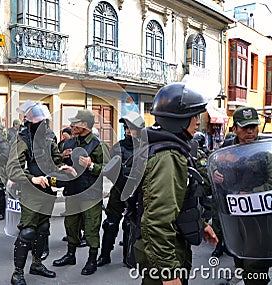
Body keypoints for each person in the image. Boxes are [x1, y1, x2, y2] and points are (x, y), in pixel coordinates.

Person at [133, 82, 218, 284]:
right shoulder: (167, 157)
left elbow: (177, 201)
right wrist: (169, 274)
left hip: (168, 248)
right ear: (179, 120)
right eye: (194, 116)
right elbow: (157, 222)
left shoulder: (172, 149)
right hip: (164, 256)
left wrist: (201, 224)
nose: (198, 122)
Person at [6, 101, 70, 285]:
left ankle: (37, 264)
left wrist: (63, 168)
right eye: (39, 122)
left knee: (43, 229)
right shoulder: (23, 140)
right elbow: (12, 168)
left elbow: (56, 160)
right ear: (30, 123)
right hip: (31, 191)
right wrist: (32, 178)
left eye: (45, 122)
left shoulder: (49, 137)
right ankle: (17, 273)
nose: (43, 126)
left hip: (48, 189)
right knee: (27, 231)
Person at [212, 106, 272, 285]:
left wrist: (250, 194)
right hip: (234, 219)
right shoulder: (226, 151)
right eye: (245, 127)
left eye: (253, 126)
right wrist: (216, 173)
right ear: (235, 129)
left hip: (258, 219)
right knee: (240, 261)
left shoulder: (266, 153)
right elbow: (212, 173)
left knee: (255, 267)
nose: (250, 131)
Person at [53, 109, 111, 276]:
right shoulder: (69, 143)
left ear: (85, 125)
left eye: (76, 123)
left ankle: (92, 260)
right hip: (72, 191)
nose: (72, 125)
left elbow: (109, 168)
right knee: (71, 225)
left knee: (91, 228)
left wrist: (91, 166)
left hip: (90, 194)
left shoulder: (98, 145)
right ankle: (70, 255)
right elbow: (59, 163)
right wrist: (63, 160)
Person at [97, 111, 144, 268]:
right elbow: (110, 168)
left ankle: (129, 256)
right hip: (118, 191)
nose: (127, 132)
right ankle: (104, 255)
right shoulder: (119, 147)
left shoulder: (145, 149)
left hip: (136, 192)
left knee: (131, 225)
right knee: (110, 223)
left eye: (131, 128)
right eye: (126, 128)